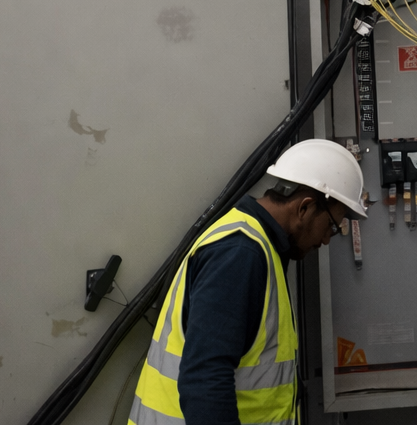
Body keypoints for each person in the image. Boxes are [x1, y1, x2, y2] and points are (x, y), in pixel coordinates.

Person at [128, 139, 367, 425]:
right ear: (305, 208)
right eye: (330, 226)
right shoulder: (240, 254)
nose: (327, 239)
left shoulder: (258, 246)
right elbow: (205, 382)